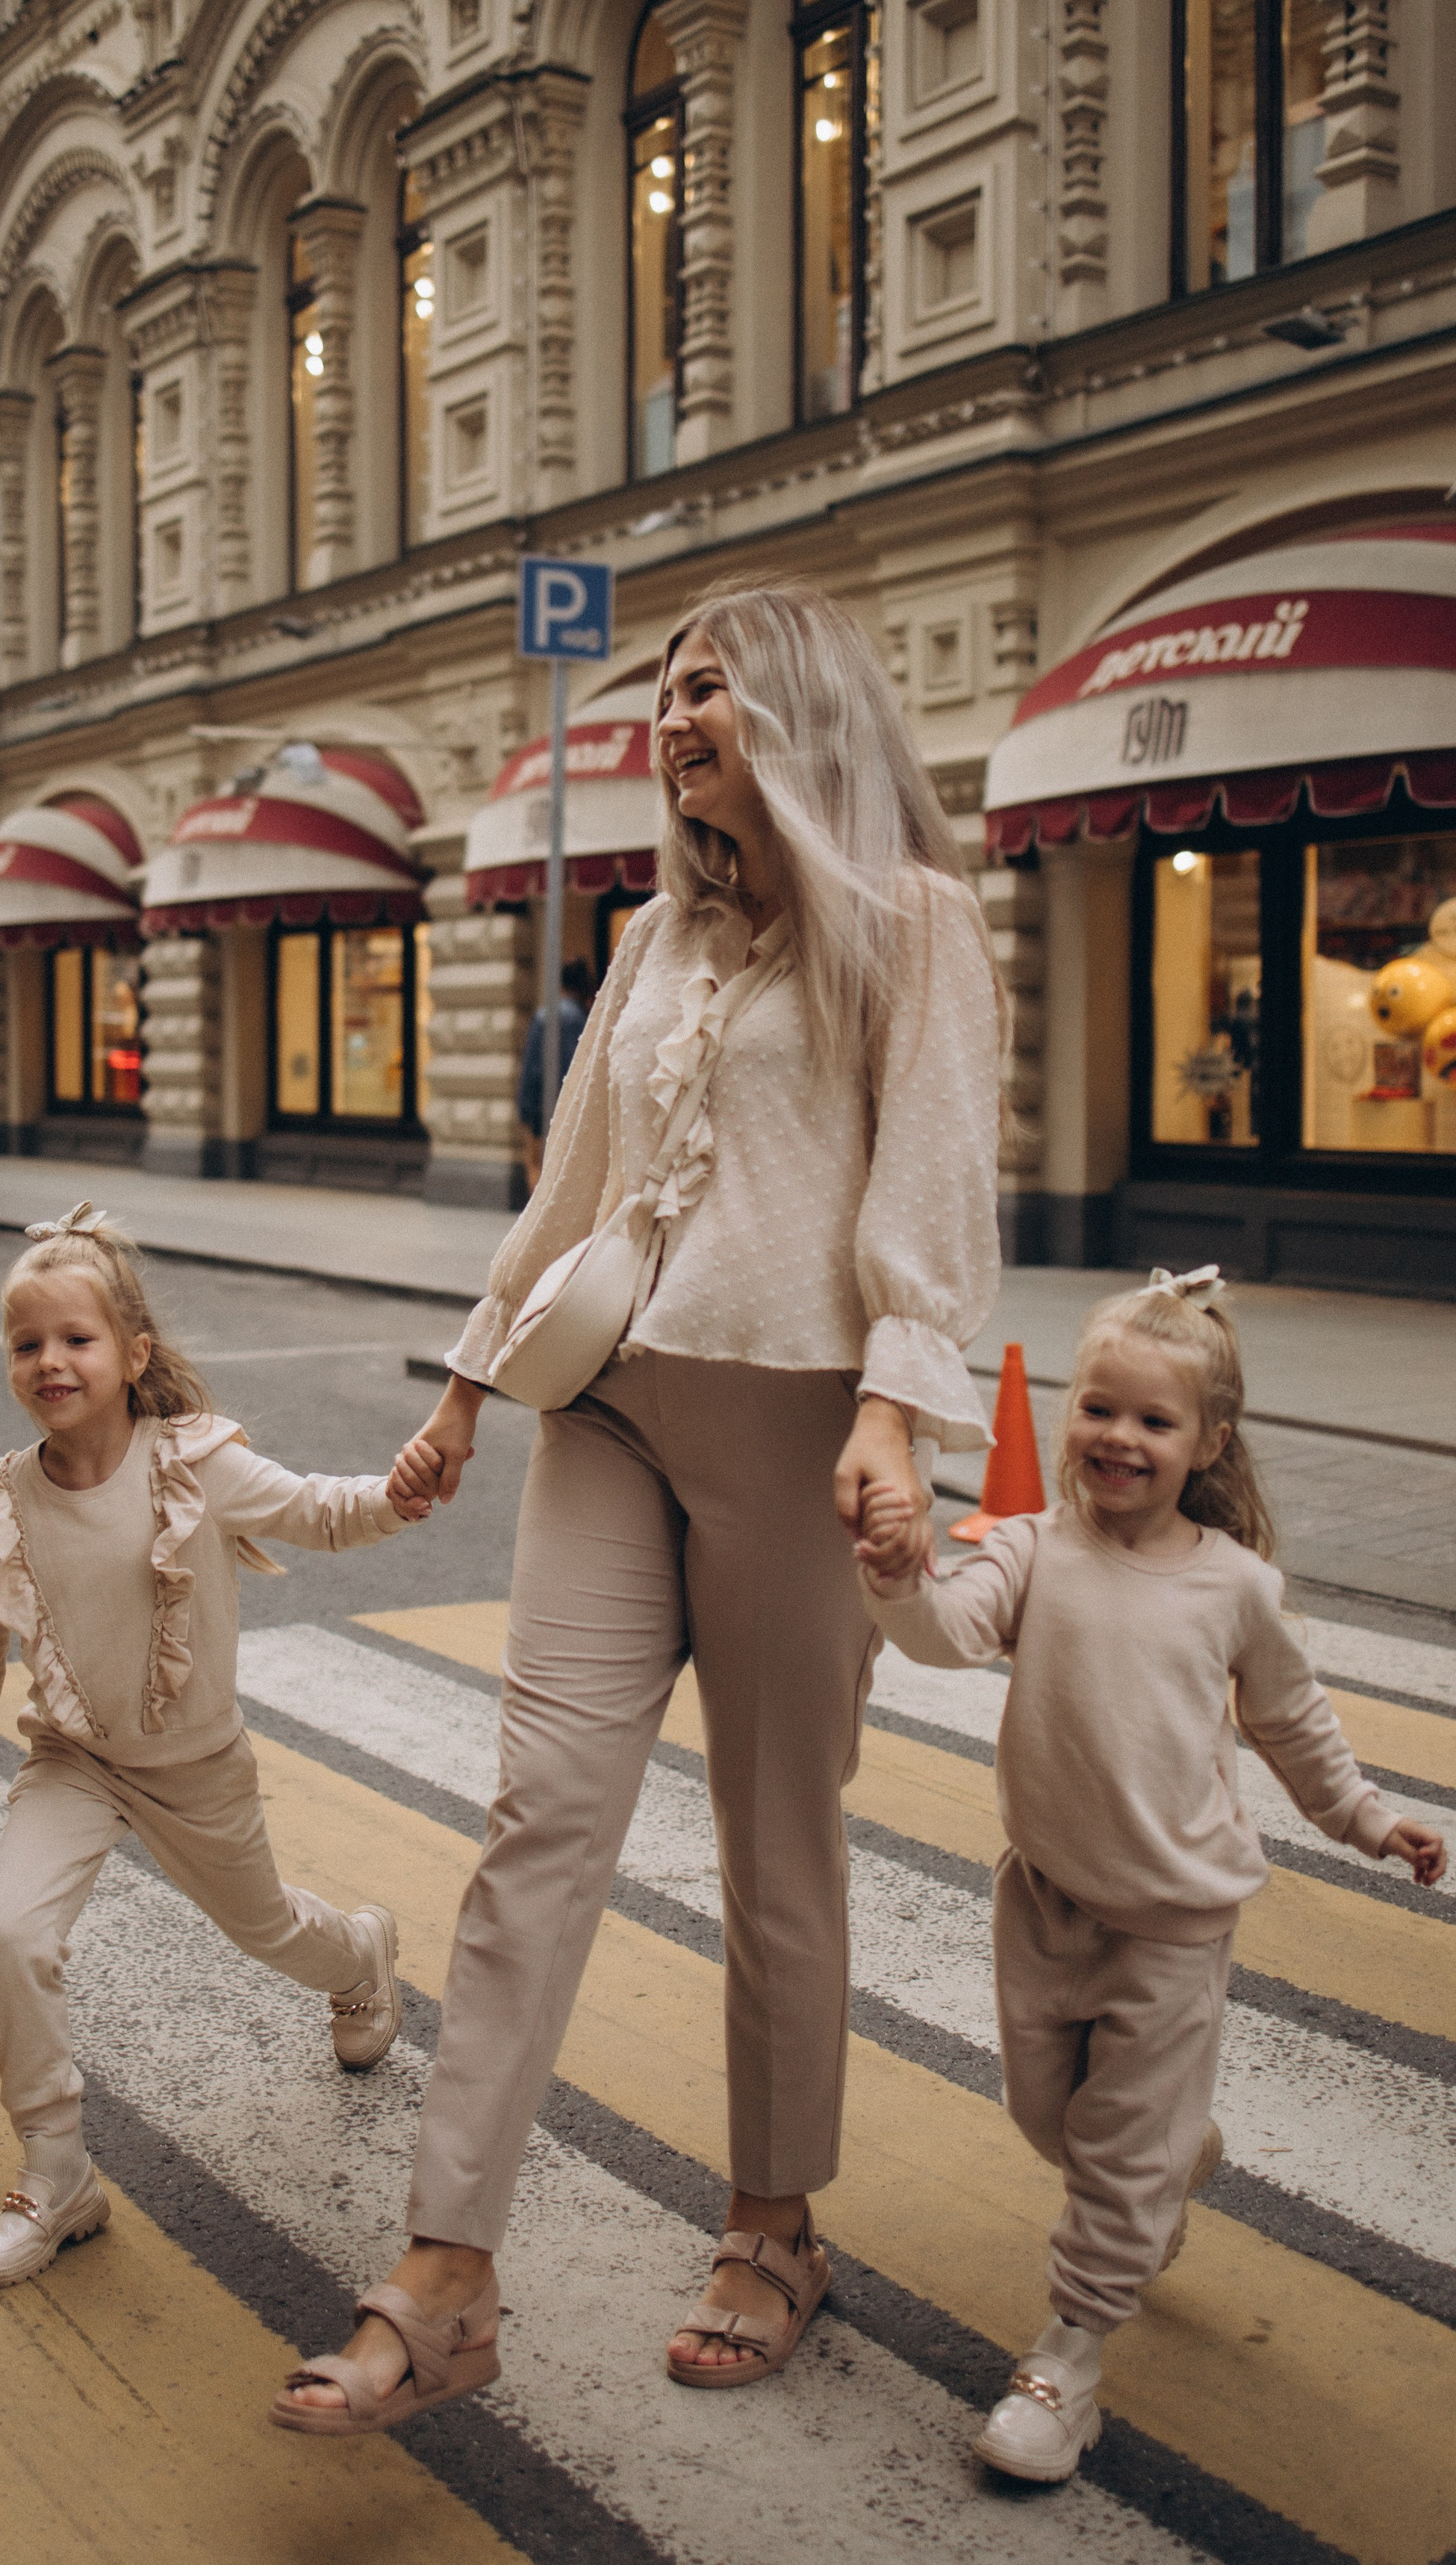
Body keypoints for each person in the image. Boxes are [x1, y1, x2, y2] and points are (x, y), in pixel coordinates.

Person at [272, 579, 1004, 2437]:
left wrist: (897, 1413)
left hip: (788, 1425)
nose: (676, 710)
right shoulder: (650, 939)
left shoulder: (912, 925)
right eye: (667, 685)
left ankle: (774, 2224)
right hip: (605, 1406)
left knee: (777, 1850)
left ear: (807, 708)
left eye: (713, 683)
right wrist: (461, 1383)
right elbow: (572, 1184)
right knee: (539, 1815)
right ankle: (442, 2270)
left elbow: (931, 1186)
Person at [857, 1265, 1447, 2486]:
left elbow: (1292, 1725)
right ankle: (1179, 2156)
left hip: (1178, 1918)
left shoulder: (1235, 1587)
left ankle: (1065, 2365)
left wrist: (1368, 1817)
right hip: (1047, 1902)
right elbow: (943, 1635)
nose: (1119, 1439)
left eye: (1154, 1421)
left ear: (1207, 1443)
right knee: (1051, 2119)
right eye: (1100, 1409)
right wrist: (898, 1565)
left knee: (1116, 2153)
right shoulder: (1028, 1548)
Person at [0, 1201, 428, 2289]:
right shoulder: (6, 1497)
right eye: (27, 1344)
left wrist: (400, 1492)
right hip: (73, 1760)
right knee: (10, 1937)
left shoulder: (192, 1465)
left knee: (272, 1933)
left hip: (195, 1771)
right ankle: (56, 2176)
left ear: (132, 1355)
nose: (51, 1362)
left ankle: (363, 1955)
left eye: (76, 1339)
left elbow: (321, 1511)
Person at [517, 957, 597, 1189]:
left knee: (537, 1166)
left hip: (543, 1107)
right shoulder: (587, 1020)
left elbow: (531, 1069)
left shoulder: (544, 1017)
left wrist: (526, 1110)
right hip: (574, 1107)